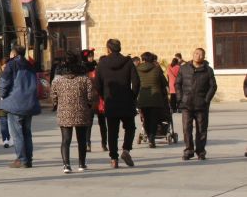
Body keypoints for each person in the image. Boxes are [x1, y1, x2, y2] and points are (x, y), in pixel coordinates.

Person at [94, 39, 141, 168]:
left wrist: (104, 96)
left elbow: (97, 84)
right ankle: (126, 149)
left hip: (111, 101)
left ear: (108, 49)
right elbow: (136, 82)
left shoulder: (102, 63)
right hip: (126, 100)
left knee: (112, 131)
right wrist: (132, 96)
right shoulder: (128, 62)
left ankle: (114, 158)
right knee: (130, 127)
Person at [50, 52, 94, 173]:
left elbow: (53, 95)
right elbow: (90, 96)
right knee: (81, 139)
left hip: (64, 111)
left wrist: (56, 104)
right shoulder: (84, 79)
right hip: (81, 111)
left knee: (65, 139)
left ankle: (66, 165)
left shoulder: (57, 80)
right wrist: (88, 105)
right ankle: (81, 164)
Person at [0, 45, 41, 169]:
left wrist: (2, 95)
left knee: (17, 133)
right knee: (27, 132)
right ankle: (29, 158)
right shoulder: (30, 65)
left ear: (14, 54)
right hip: (29, 103)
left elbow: (4, 82)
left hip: (15, 103)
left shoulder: (12, 65)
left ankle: (21, 159)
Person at [175, 47, 217, 161]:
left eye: (200, 54)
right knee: (186, 128)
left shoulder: (208, 70)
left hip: (201, 105)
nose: (198, 56)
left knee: (201, 129)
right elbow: (177, 84)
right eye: (196, 53)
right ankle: (188, 150)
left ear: (204, 57)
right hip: (186, 104)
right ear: (192, 55)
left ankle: (201, 151)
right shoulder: (184, 68)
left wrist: (206, 100)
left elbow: (213, 86)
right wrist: (180, 98)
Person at [135, 52, 170, 148]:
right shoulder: (157, 69)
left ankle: (148, 134)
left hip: (143, 97)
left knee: (145, 118)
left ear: (143, 60)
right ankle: (151, 138)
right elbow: (164, 83)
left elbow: (135, 83)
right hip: (156, 97)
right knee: (154, 119)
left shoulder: (137, 69)